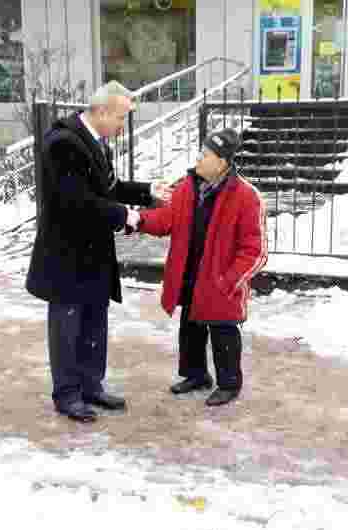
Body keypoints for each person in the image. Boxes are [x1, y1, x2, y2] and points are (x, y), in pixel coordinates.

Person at [25, 81, 171, 423]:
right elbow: (78, 201)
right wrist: (127, 216)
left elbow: (108, 188)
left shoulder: (94, 142)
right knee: (67, 326)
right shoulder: (63, 143)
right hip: (66, 254)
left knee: (94, 320)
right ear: (101, 111)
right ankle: (67, 394)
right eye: (121, 118)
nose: (123, 126)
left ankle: (91, 386)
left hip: (93, 252)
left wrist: (148, 191)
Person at [134, 128, 268, 406]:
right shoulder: (187, 187)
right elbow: (165, 219)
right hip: (190, 273)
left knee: (223, 331)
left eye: (205, 155)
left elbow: (255, 251)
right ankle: (196, 375)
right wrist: (137, 220)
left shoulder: (246, 197)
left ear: (222, 162)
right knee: (190, 327)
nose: (199, 159)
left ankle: (229, 384)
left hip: (221, 281)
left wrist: (228, 281)